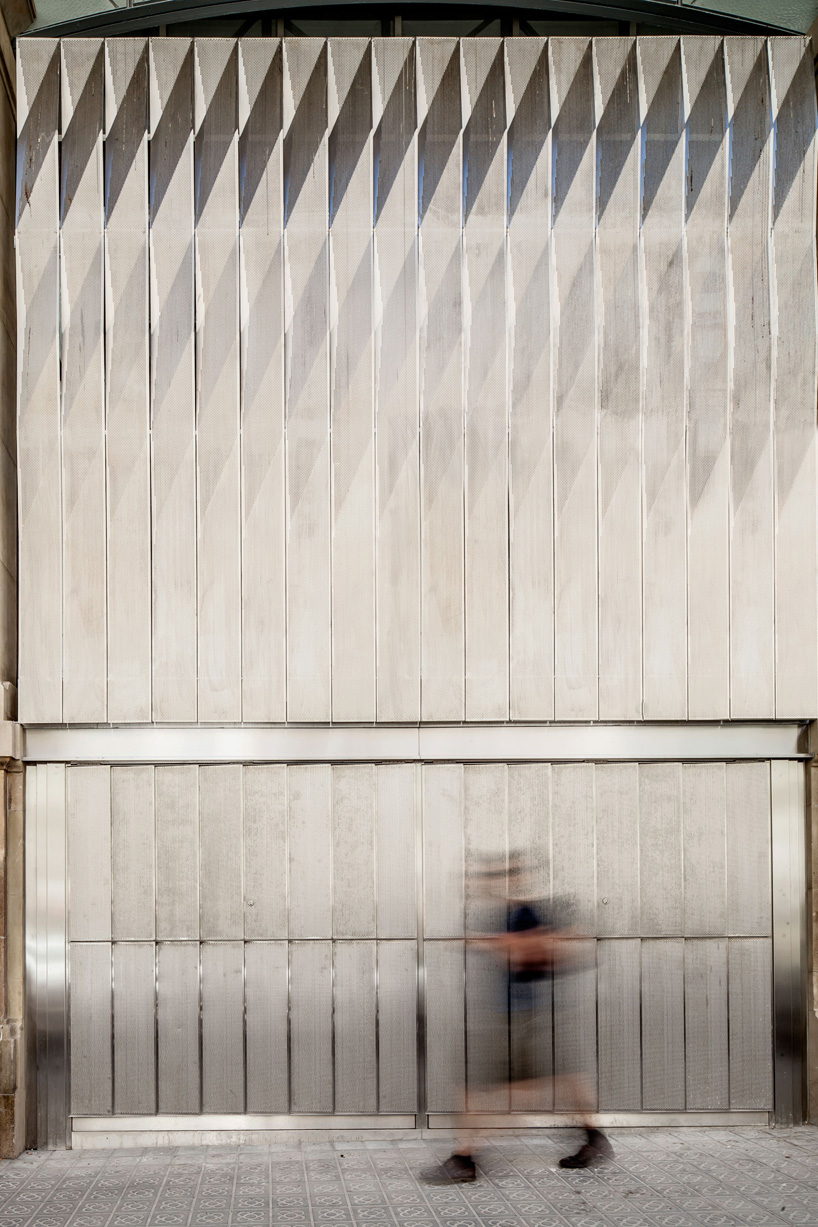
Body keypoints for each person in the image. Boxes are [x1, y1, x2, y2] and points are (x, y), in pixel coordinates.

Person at [435, 853, 614, 1182]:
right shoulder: (513, 912)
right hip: (518, 1012)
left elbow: (523, 956)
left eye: (500, 876)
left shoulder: (528, 912)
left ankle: (464, 1158)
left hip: (523, 1015)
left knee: (485, 1088)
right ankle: (594, 1139)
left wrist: (488, 944)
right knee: (557, 1077)